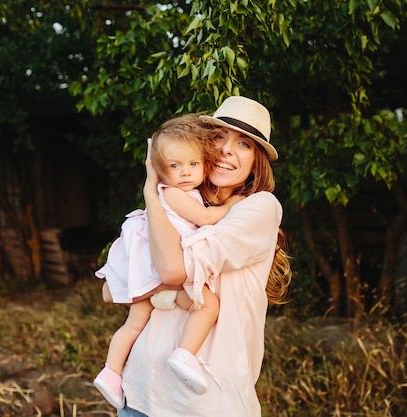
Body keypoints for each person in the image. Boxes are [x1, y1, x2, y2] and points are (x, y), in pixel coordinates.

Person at [117, 95, 292, 416]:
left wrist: (151, 196)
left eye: (244, 144)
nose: (227, 149)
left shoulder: (259, 207)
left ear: (257, 161)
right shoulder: (179, 208)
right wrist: (157, 200)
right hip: (140, 394)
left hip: (204, 403)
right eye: (218, 137)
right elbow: (109, 287)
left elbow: (169, 272)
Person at [94, 114, 243, 409]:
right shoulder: (174, 194)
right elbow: (205, 218)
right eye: (175, 166)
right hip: (160, 274)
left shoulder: (181, 193)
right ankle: (184, 354)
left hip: (155, 278)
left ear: (205, 163)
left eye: (193, 164)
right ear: (161, 172)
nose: (185, 172)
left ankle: (111, 373)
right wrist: (232, 205)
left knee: (134, 324)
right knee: (208, 304)